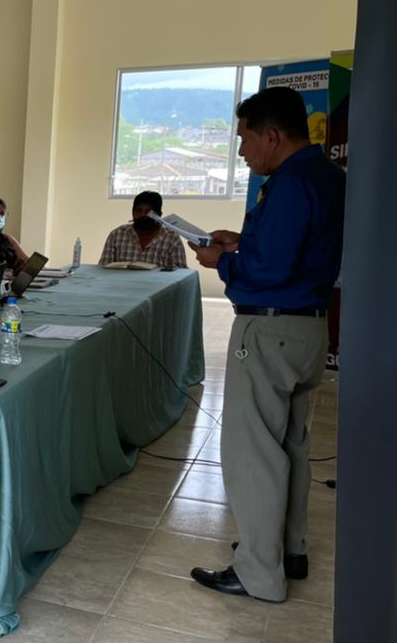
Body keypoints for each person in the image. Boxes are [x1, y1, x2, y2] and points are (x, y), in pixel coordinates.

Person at [188, 87, 345, 603]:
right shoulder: (326, 176)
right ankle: (288, 550)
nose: (241, 151)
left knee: (253, 452)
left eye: (245, 138)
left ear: (272, 136)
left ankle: (258, 572)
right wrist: (242, 243)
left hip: (270, 329)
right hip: (308, 327)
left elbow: (270, 271)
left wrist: (222, 261)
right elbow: (296, 250)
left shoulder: (290, 184)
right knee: (291, 445)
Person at [99, 191, 187, 269]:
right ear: (132, 212)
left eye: (148, 212)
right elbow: (103, 269)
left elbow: (181, 274)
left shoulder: (171, 239)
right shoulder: (117, 235)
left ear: (159, 215)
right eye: (139, 211)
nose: (143, 215)